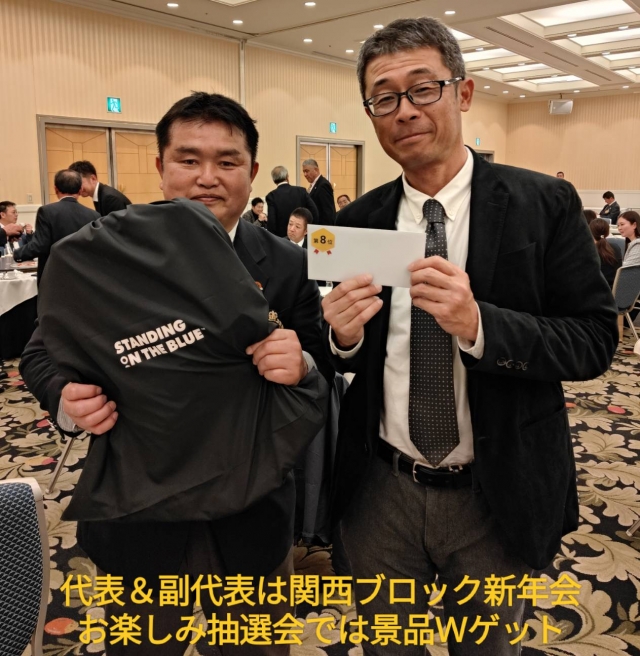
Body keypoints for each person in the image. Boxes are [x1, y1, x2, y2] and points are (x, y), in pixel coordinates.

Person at [321, 17, 618, 656]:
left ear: (463, 92)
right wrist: (341, 339)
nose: (405, 110)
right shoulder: (358, 221)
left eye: (422, 88)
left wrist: (481, 326)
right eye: (384, 98)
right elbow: (344, 351)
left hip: (496, 486)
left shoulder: (544, 204)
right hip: (381, 489)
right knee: (386, 645)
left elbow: (595, 339)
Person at [20, 91, 333, 656]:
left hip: (252, 512)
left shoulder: (287, 261)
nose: (207, 177)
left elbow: (320, 358)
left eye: (227, 161)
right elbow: (41, 352)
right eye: (189, 159)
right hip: (140, 514)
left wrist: (303, 363)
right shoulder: (111, 254)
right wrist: (66, 399)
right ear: (161, 167)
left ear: (252, 173)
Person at [13, 170, 100, 284]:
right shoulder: (94, 215)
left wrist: (17, 254)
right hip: (85, 277)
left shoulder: (47, 211)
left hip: (54, 277)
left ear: (55, 189)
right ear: (80, 190)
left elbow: (40, 245)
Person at [265, 165, 318, 237]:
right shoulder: (301, 191)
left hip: (281, 239)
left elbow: (272, 223)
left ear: (274, 180)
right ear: (287, 176)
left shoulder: (271, 196)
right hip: (301, 236)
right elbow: (314, 212)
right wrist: (307, 231)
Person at [302, 159, 336, 226]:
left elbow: (327, 211)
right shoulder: (314, 185)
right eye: (304, 172)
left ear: (316, 170)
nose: (305, 174)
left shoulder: (323, 185)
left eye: (307, 171)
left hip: (321, 227)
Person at [589, 218, 621, 288]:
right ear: (608, 233)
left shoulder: (588, 250)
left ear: (589, 232)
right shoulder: (616, 247)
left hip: (594, 290)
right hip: (614, 289)